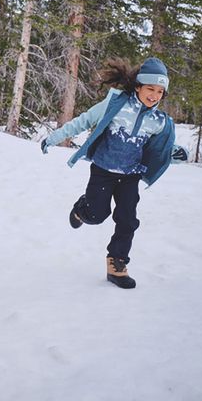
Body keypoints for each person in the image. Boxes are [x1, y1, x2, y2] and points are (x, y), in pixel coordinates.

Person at [41, 56, 188, 289]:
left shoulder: (159, 121)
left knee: (128, 219)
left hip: (131, 175)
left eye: (160, 92)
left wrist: (179, 155)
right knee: (98, 215)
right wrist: (53, 138)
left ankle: (117, 264)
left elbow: (163, 149)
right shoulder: (115, 105)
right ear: (138, 86)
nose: (154, 95)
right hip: (103, 171)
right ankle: (82, 209)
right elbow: (83, 121)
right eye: (150, 88)